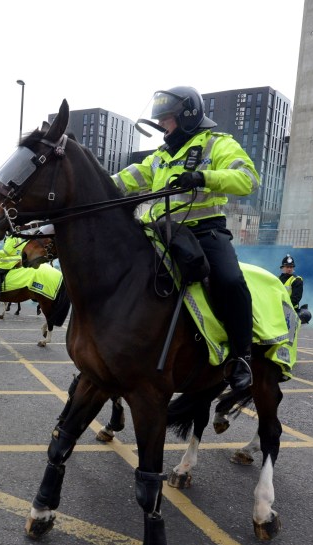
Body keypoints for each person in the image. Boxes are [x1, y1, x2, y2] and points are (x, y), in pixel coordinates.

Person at [112, 86, 260, 391]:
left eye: (167, 119)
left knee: (231, 282)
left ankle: (242, 357)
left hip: (205, 232)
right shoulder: (159, 158)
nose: (163, 126)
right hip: (162, 233)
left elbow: (247, 178)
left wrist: (204, 178)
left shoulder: (217, 144)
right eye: (162, 120)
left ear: (188, 116)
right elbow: (126, 179)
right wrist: (93, 185)